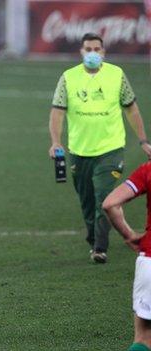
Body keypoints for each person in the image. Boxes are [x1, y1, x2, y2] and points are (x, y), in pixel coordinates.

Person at [48, 32, 151, 263]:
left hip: (111, 150)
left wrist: (143, 140)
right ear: (81, 52)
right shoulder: (68, 78)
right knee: (86, 202)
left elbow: (131, 108)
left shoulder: (116, 75)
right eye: (88, 49)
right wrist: (56, 141)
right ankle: (93, 237)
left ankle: (100, 248)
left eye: (97, 49)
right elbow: (57, 112)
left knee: (103, 196)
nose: (92, 53)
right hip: (79, 151)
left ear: (103, 52)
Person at [102, 163, 151, 351]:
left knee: (144, 338)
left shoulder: (148, 170)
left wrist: (128, 235)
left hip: (150, 259)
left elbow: (110, 204)